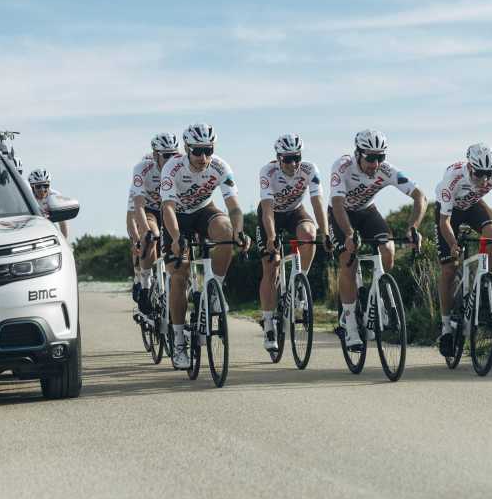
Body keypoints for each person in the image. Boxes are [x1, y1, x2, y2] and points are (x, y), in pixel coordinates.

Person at [160, 123, 249, 370]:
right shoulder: (172, 167)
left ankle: (214, 291)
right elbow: (167, 208)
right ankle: (179, 340)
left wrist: (239, 231)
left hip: (203, 211)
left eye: (208, 150)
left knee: (226, 231)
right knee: (179, 276)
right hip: (177, 216)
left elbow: (234, 207)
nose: (203, 157)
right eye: (197, 151)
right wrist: (176, 237)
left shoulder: (220, 167)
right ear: (187, 149)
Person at [328, 130, 427, 348]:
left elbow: (420, 196)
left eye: (380, 157)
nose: (375, 164)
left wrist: (413, 227)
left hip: (367, 211)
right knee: (348, 260)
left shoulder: (386, 170)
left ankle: (376, 297)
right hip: (341, 213)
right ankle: (350, 324)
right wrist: (349, 234)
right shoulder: (342, 167)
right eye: (370, 158)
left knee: (388, 250)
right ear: (358, 154)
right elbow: (337, 204)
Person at [433, 142, 492, 356]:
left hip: (473, 206)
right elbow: (444, 222)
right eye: (479, 174)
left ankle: (483, 283)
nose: (484, 179)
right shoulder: (453, 178)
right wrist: (453, 244)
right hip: (449, 214)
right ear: (470, 167)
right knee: (449, 269)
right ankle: (445, 327)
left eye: (488, 174)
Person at [256, 133, 329, 352]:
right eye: (288, 159)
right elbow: (267, 209)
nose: (293, 163)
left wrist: (326, 232)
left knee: (308, 234)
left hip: (295, 211)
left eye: (296, 158)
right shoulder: (267, 172)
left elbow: (317, 202)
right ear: (279, 158)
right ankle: (268, 323)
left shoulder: (309, 169)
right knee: (271, 265)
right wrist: (271, 237)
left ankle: (299, 283)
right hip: (271, 215)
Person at [128, 133, 180, 313]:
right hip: (149, 209)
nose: (171, 159)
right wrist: (142, 235)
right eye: (166, 155)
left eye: (174, 154)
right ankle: (144, 283)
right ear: (155, 154)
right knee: (151, 235)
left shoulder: (180, 166)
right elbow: (136, 209)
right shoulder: (142, 169)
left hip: (170, 208)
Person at [29, 167, 68, 238]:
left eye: (45, 186)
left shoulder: (55, 196)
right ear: (32, 187)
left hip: (50, 230)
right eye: (38, 186)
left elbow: (62, 223)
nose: (42, 189)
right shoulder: (28, 197)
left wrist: (65, 240)